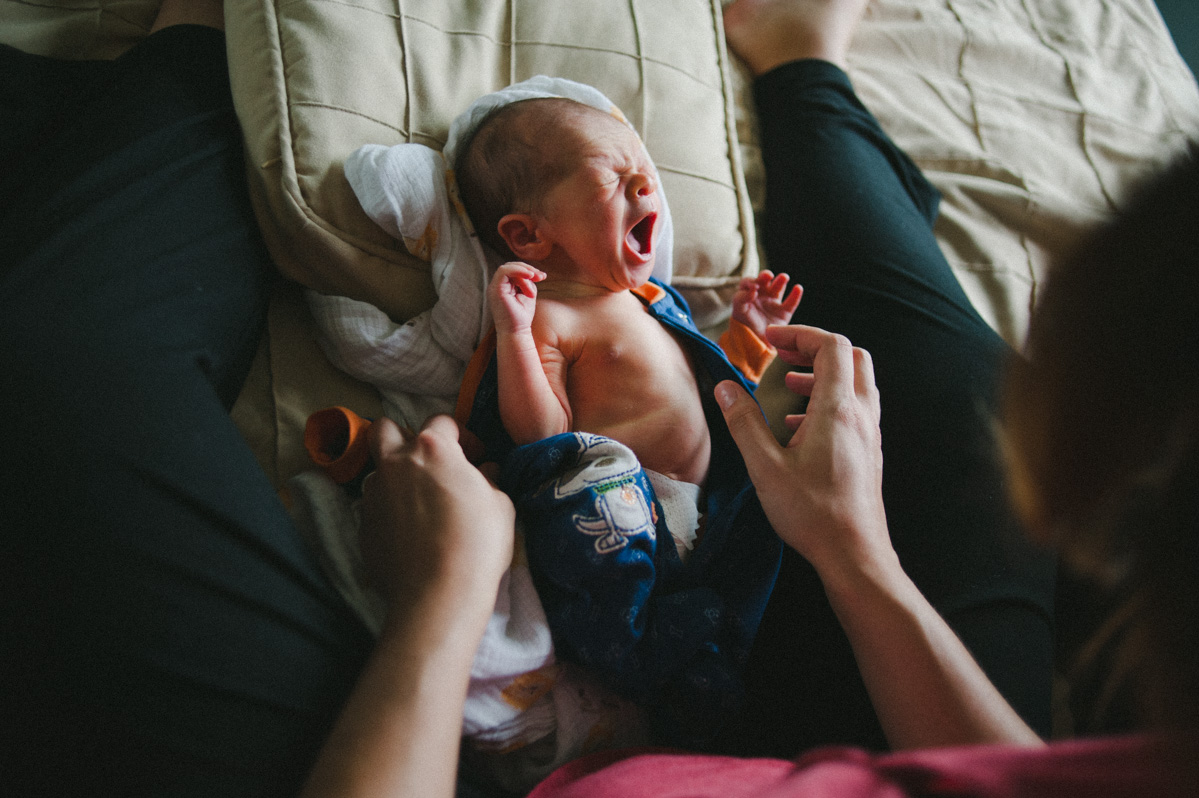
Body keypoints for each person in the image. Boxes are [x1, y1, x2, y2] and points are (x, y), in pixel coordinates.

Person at [448, 95, 801, 745]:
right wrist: (514, 334)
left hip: (709, 515)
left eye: (642, 168)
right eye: (612, 176)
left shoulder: (652, 300)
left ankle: (713, 669)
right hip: (620, 517)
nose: (644, 181)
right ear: (528, 236)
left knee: (772, 548)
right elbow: (543, 435)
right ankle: (646, 665)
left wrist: (748, 338)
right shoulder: (549, 316)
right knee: (589, 483)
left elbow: (705, 384)